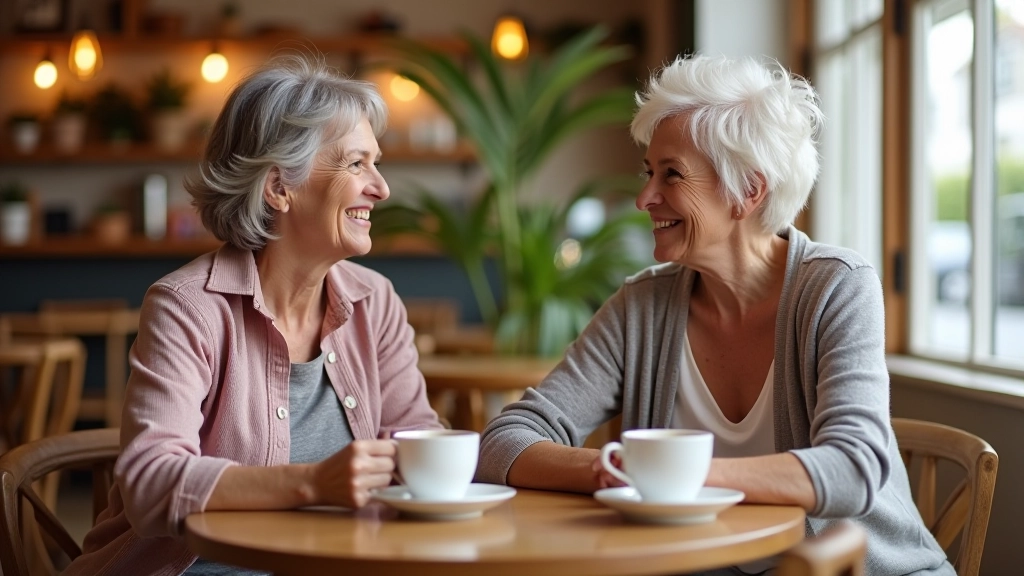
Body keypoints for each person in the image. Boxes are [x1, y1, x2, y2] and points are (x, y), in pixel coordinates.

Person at [478, 54, 955, 575]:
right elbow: (505, 441)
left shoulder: (836, 287)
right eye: (648, 172)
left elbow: (851, 471)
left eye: (671, 174)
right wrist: (613, 469)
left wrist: (676, 475)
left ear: (747, 190)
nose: (644, 197)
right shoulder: (641, 308)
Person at [66, 55, 441, 576]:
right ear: (278, 188)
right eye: (357, 164)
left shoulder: (375, 302)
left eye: (376, 164)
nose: (381, 188)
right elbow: (150, 485)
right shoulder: (188, 307)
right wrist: (313, 483)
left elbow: (417, 443)